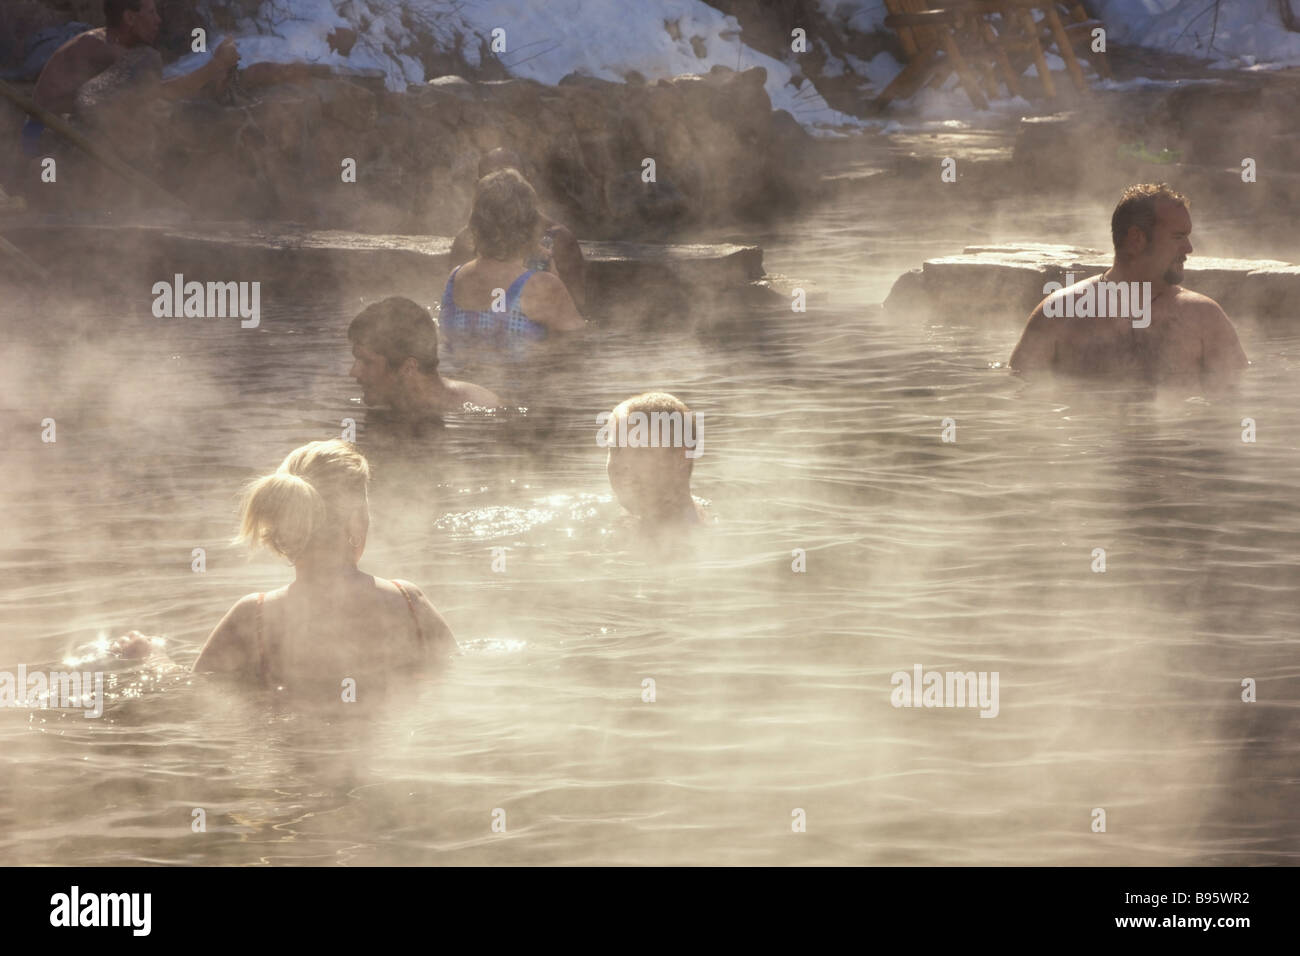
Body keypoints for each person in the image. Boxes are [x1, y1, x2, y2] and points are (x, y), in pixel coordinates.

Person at [194, 441, 457, 687]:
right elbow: (457, 676)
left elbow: (198, 693)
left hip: (290, 736)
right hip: (394, 736)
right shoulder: (408, 602)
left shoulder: (255, 617)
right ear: (356, 521)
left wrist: (154, 657)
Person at [1010, 183, 1248, 388]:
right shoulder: (1059, 314)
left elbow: (1231, 405)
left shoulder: (1204, 318)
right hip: (1086, 439)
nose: (1189, 249)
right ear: (1136, 239)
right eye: (1178, 237)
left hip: (1175, 440)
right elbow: (1023, 400)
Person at [25, 0, 238, 158]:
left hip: (59, 139)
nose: (158, 20)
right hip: (42, 143)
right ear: (129, 18)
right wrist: (214, 67)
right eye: (152, 12)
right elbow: (160, 92)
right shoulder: (102, 48)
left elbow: (156, 89)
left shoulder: (114, 48)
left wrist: (212, 76)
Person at [441, 168, 585, 360]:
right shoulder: (542, 286)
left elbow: (447, 341)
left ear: (476, 224)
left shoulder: (455, 278)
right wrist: (553, 280)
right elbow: (577, 350)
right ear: (530, 223)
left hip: (468, 381)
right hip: (522, 386)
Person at [449, 148, 587, 310]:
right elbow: (455, 304)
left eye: (511, 180)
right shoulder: (467, 240)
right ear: (478, 186)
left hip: (542, 328)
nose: (504, 188)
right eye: (494, 180)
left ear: (527, 183)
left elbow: (578, 305)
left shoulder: (559, 239)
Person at [348, 296, 502, 417]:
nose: (353, 372)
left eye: (367, 362)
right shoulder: (385, 404)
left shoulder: (480, 411)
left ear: (409, 367)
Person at [603, 391, 709, 536]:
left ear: (680, 458)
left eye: (641, 450)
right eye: (615, 449)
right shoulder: (629, 520)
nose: (621, 465)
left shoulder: (690, 540)